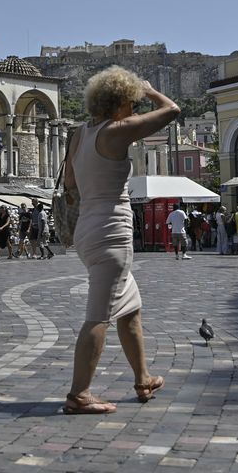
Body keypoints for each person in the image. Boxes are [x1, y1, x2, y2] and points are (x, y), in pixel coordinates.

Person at [63, 65, 173, 415]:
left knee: (130, 311)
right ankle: (79, 394)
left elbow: (69, 185)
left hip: (86, 229)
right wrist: (153, 91)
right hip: (112, 231)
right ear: (120, 102)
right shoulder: (118, 130)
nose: (137, 109)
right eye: (134, 102)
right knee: (98, 316)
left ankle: (143, 378)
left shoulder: (79, 134)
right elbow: (172, 111)